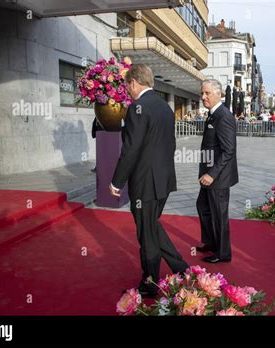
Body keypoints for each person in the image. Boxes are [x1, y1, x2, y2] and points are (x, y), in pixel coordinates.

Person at [109, 64, 189, 297]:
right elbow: (170, 144)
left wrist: (116, 182)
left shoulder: (137, 108)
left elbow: (130, 150)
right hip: (163, 181)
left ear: (134, 83)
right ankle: (181, 268)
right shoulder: (165, 107)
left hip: (145, 183)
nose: (127, 90)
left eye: (127, 86)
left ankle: (150, 282)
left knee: (146, 233)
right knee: (151, 226)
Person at [196, 79, 238, 263]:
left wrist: (211, 174)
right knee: (203, 207)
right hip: (209, 175)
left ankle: (222, 253)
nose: (203, 97)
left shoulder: (224, 116)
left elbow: (229, 150)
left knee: (218, 215)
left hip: (218, 177)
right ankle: (211, 243)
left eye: (207, 93)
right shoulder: (213, 114)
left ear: (218, 94)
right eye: (202, 93)